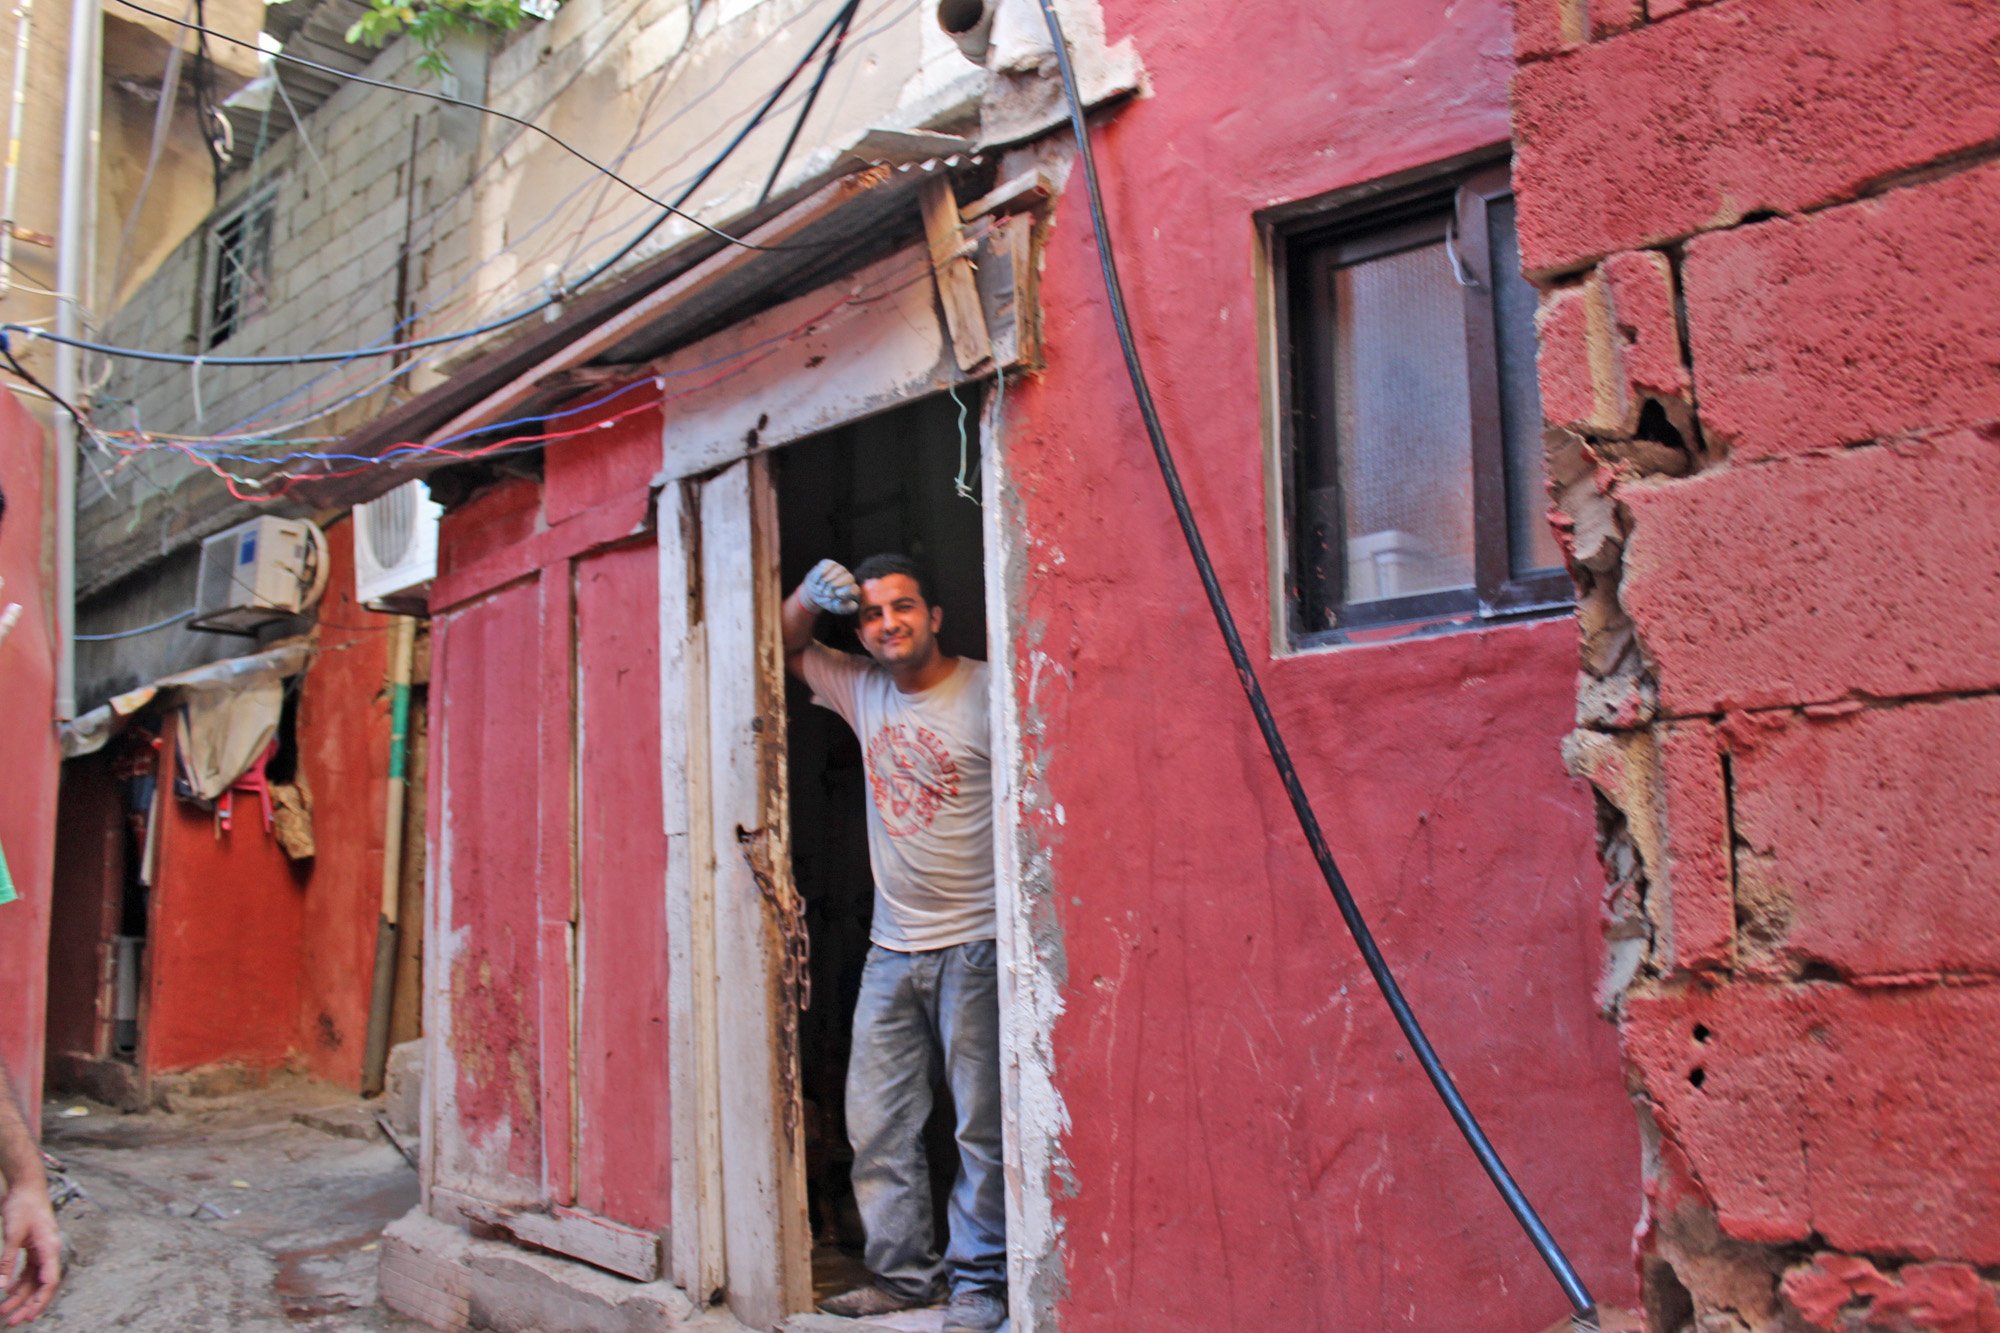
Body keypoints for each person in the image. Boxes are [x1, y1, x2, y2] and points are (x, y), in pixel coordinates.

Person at [784, 554, 1006, 1333]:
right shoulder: (862, 686)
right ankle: (906, 1278)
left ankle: (982, 1282)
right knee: (876, 1123)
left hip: (977, 942)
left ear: (935, 615)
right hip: (892, 948)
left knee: (980, 1126)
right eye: (873, 615)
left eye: (904, 608)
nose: (889, 625)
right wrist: (805, 600)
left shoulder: (987, 689)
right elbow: (776, 646)